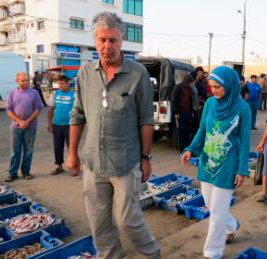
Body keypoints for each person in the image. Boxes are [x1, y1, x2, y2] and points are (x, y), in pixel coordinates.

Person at [66, 12, 160, 259]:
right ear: (94, 40)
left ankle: (152, 254)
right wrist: (72, 153)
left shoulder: (138, 74)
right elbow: (77, 115)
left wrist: (145, 157)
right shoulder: (84, 74)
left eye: (113, 40)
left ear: (122, 41)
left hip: (126, 162)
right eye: (102, 40)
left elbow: (146, 120)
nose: (107, 46)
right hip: (93, 162)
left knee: (127, 219)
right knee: (98, 222)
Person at [181, 66, 251, 259]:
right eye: (211, 87)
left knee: (217, 214)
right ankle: (232, 224)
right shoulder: (211, 104)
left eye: (218, 87)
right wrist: (190, 149)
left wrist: (242, 169)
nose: (214, 91)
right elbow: (202, 130)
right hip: (207, 162)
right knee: (211, 205)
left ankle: (212, 252)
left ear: (229, 85)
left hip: (228, 165)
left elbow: (245, 142)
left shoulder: (243, 109)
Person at [5, 72, 44, 182]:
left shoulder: (34, 92)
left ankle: (26, 172)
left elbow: (38, 109)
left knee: (28, 150)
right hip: (15, 127)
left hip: (31, 126)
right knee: (15, 151)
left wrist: (27, 121)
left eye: (27, 80)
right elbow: (9, 110)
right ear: (17, 81)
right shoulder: (12, 93)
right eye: (23, 80)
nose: (26, 82)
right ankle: (12, 173)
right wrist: (19, 121)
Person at [47, 75, 75, 175]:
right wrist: (50, 124)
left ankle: (73, 167)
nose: (60, 85)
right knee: (57, 146)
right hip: (56, 124)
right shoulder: (54, 94)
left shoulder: (74, 95)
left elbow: (78, 111)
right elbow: (50, 110)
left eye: (62, 83)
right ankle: (59, 167)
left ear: (68, 83)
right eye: (59, 83)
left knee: (71, 147)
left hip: (70, 125)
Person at [171, 74, 195, 152]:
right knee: (181, 131)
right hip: (180, 113)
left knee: (188, 131)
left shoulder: (190, 89)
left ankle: (187, 149)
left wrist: (191, 112)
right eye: (190, 82)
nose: (191, 83)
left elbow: (190, 101)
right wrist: (176, 112)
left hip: (188, 113)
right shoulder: (178, 87)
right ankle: (182, 149)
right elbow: (174, 100)